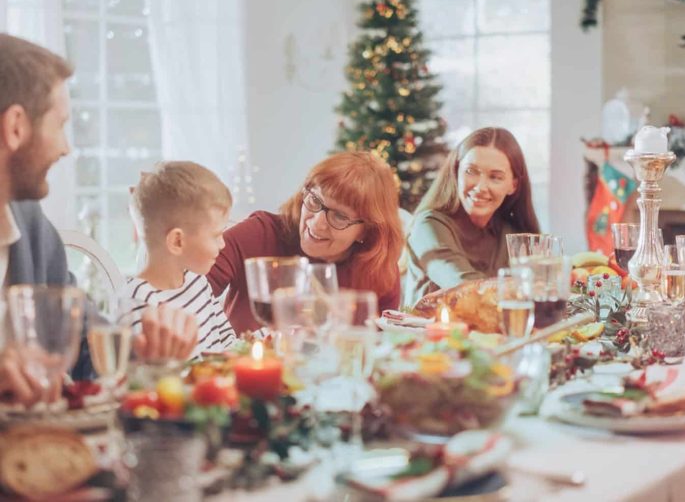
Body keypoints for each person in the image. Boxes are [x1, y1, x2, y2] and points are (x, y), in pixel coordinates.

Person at [0, 33, 196, 406]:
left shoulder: (31, 228)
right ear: (15, 127)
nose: (65, 147)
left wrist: (147, 353)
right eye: (59, 125)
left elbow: (89, 347)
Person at [208, 151, 403, 333]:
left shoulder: (378, 270)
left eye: (340, 217)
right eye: (315, 201)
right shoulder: (259, 234)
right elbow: (188, 287)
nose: (316, 224)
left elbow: (381, 350)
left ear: (366, 231)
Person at [403, 127, 540, 307]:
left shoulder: (513, 233)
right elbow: (464, 286)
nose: (480, 186)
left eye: (495, 177)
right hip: (429, 334)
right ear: (456, 172)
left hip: (494, 334)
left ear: (513, 185)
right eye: (471, 171)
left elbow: (540, 289)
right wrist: (520, 286)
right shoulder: (428, 226)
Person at [127, 161, 236, 355]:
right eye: (216, 235)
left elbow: (228, 344)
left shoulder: (197, 282)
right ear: (177, 241)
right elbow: (144, 380)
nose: (223, 244)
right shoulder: (138, 302)